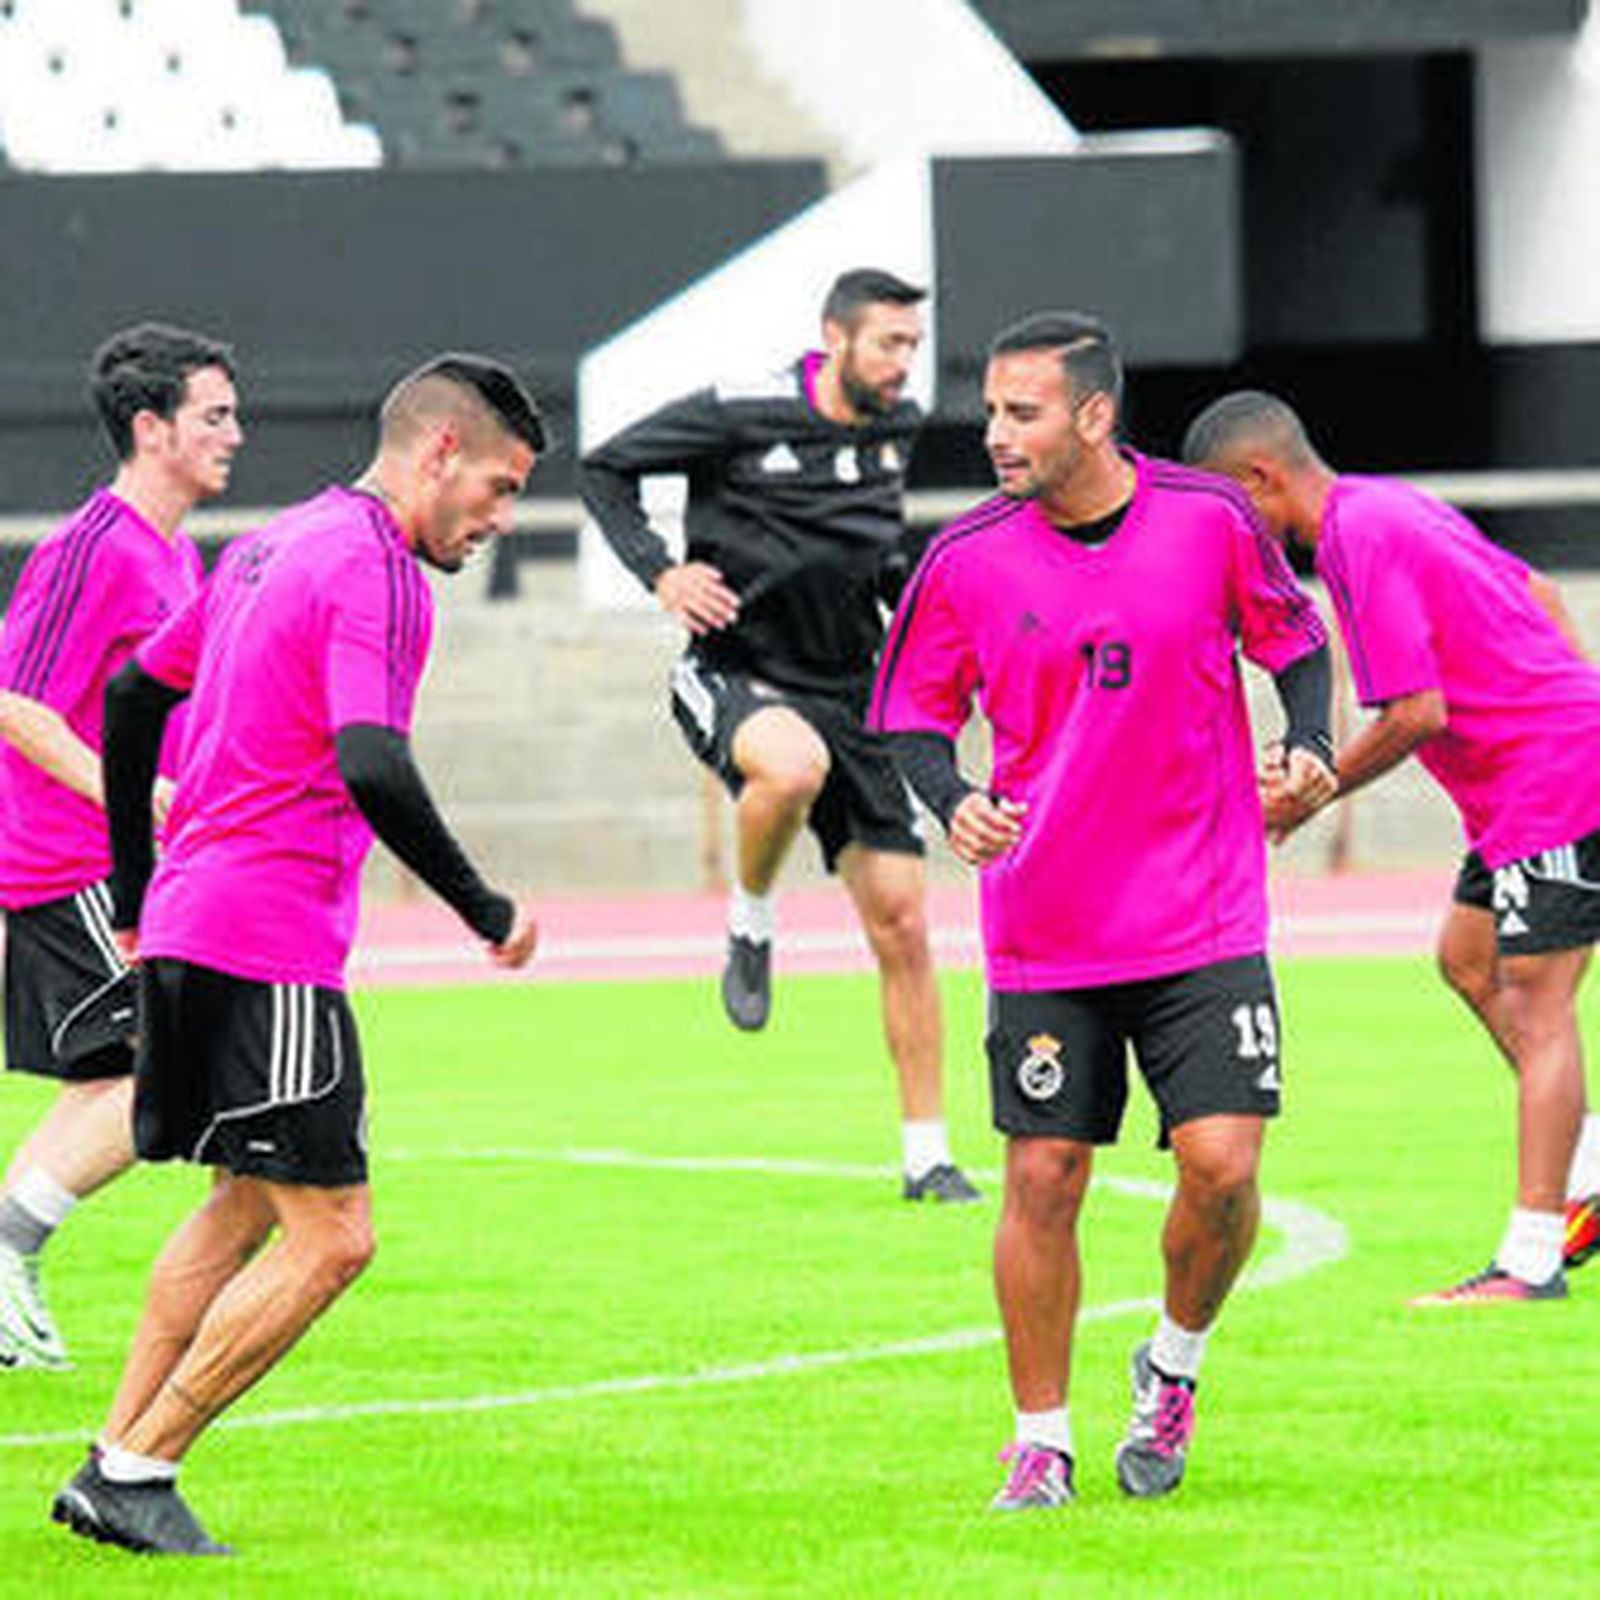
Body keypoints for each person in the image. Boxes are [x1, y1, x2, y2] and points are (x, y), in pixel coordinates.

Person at [49, 354, 545, 1557]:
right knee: (335, 1236)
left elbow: (127, 697)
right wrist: (483, 908)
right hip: (265, 940)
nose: (501, 517)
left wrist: (129, 886)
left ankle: (111, 1465)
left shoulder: (274, 541)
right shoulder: (376, 571)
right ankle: (136, 1466)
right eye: (497, 485)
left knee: (238, 1213)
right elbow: (372, 761)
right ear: (437, 452)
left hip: (185, 923)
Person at [869, 313, 1336, 1510]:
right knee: (1044, 1175)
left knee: (1224, 1168)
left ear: (1092, 415)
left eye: (1020, 413)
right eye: (988, 412)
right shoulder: (966, 558)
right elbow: (913, 717)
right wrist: (951, 798)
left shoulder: (1210, 519)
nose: (993, 435)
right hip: (1046, 923)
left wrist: (1309, 739)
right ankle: (1040, 1438)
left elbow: (1293, 640)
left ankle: (1170, 1366)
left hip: (1203, 909)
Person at [1183, 389, 1600, 1301]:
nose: (1231, 535)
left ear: (1261, 480)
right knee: (1467, 958)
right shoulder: (1384, 505)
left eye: (1229, 510)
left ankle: (1530, 1260)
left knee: (1540, 1002)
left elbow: (1418, 713)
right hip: (1532, 780)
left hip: (1553, 781)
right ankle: (1593, 1159)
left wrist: (1311, 790)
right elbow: (1533, 589)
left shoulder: (1357, 539)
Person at [578, 267, 978, 1204]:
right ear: (833, 336)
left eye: (913, 344)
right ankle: (751, 915)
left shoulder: (894, 425)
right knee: (791, 768)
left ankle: (927, 1157)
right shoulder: (741, 411)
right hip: (739, 672)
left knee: (909, 927)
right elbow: (602, 470)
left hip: (859, 691)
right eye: (889, 341)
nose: (903, 361)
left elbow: (873, 551)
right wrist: (662, 574)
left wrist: (935, 626)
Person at [0, 323, 241, 1372]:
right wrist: (140, 799)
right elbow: (14, 701)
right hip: (74, 863)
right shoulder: (93, 546)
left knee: (106, 1085)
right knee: (171, 1066)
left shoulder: (174, 549)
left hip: (120, 861)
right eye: (215, 415)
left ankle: (8, 1265)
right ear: (151, 429)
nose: (238, 433)